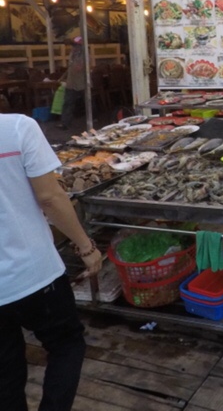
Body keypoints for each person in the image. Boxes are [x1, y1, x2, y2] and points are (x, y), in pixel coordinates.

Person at [0, 112, 102, 411]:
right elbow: (50, 197)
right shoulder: (17, 128)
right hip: (34, 272)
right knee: (67, 344)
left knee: (5, 372)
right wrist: (86, 247)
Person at [58, 36, 86, 130]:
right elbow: (70, 68)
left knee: (88, 101)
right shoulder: (72, 54)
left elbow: (79, 67)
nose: (74, 47)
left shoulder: (84, 54)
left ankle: (94, 118)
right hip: (71, 82)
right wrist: (62, 77)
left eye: (75, 45)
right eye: (73, 45)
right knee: (68, 102)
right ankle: (65, 123)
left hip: (82, 82)